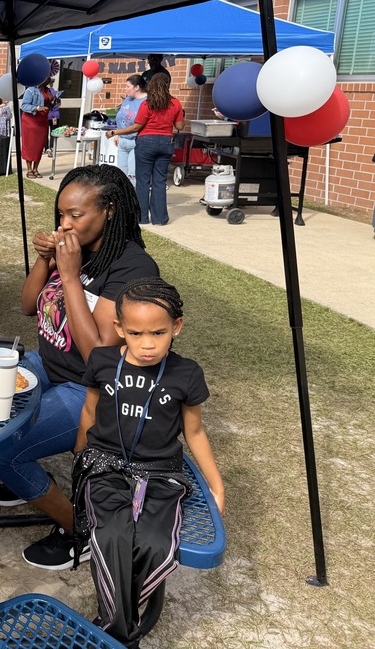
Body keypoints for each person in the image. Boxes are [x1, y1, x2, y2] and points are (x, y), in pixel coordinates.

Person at [0, 164, 159, 570]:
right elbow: (29, 306)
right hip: (48, 366)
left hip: (93, 390)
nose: (65, 224)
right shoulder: (73, 249)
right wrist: (44, 261)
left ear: (110, 211)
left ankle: (81, 529)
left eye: (75, 216)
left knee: (0, 450)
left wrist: (68, 274)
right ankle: (22, 481)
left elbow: (98, 355)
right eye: (61, 215)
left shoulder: (132, 269)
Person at [74, 277, 224, 647]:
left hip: (161, 473)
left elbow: (195, 433)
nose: (147, 344)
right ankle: (125, 635)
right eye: (136, 333)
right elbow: (90, 412)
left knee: (155, 544)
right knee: (112, 535)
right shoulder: (103, 360)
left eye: (158, 332)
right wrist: (79, 459)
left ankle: (114, 626)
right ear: (119, 328)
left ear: (177, 327)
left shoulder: (186, 374)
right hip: (104, 464)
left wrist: (217, 487)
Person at [108, 76, 185, 226]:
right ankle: (159, 219)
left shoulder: (147, 104)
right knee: (160, 181)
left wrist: (116, 132)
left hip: (146, 143)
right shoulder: (175, 103)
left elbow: (137, 127)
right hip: (166, 143)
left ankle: (142, 217)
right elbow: (180, 127)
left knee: (142, 180)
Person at [112, 75, 147, 185]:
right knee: (121, 175)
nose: (125, 89)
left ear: (136, 87)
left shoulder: (146, 102)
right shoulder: (127, 99)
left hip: (136, 142)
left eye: (128, 86)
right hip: (123, 141)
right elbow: (121, 117)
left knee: (133, 175)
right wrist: (118, 133)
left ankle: (133, 200)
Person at [19, 78, 52, 178]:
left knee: (39, 146)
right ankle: (29, 169)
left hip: (42, 121)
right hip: (31, 121)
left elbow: (48, 103)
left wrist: (55, 102)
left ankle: (35, 169)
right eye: (47, 79)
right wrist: (36, 108)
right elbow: (24, 106)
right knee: (30, 145)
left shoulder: (48, 91)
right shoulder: (31, 90)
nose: (49, 81)